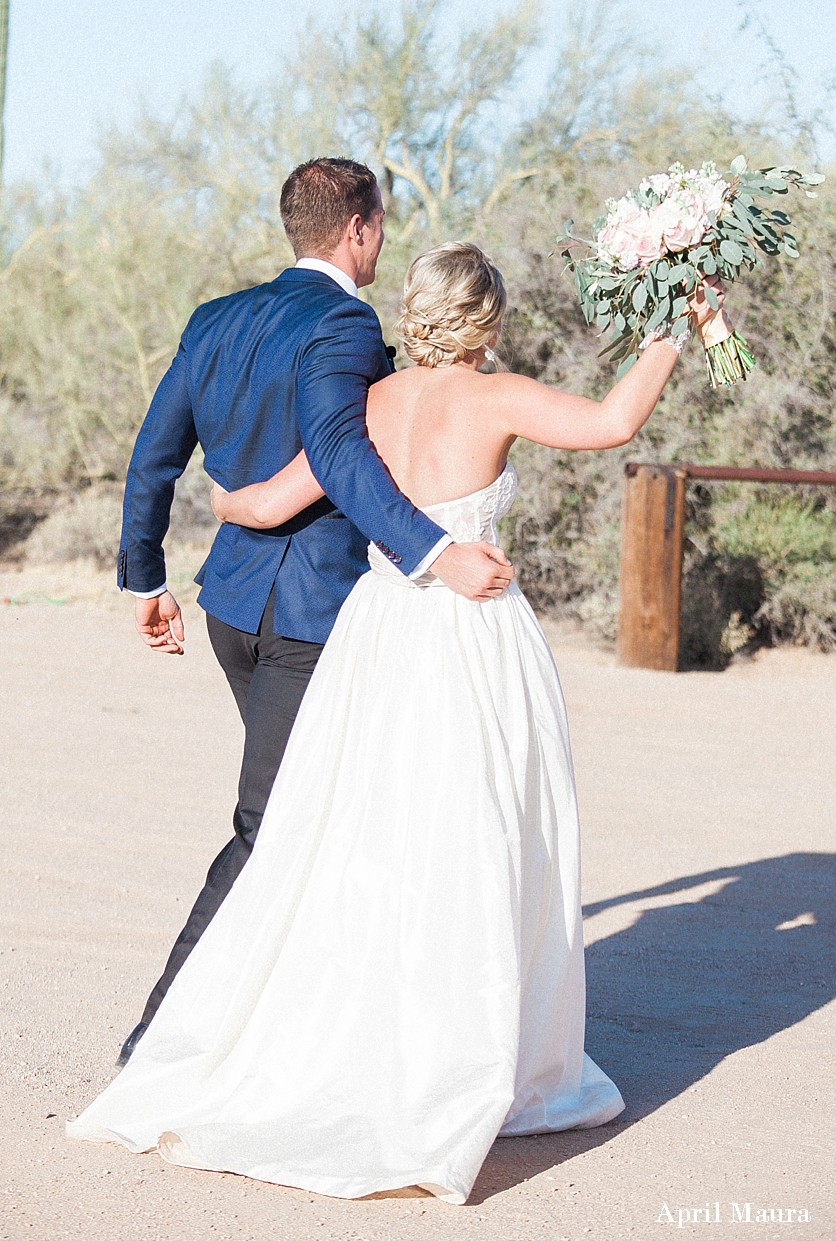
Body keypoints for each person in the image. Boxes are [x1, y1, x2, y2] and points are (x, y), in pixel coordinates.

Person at [69, 242, 703, 1202]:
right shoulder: (498, 398)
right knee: (474, 836)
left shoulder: (367, 404)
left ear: (413, 313)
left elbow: (277, 494)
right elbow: (614, 422)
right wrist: (673, 325)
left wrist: (227, 501)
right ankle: (452, 1056)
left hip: (373, 633)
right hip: (468, 636)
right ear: (486, 319)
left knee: (359, 833)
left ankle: (340, 1035)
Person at [113, 161, 514, 1068]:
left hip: (230, 609)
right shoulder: (341, 323)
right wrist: (433, 551)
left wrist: (146, 579)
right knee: (271, 824)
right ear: (360, 229)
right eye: (380, 225)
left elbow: (153, 456)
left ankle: (302, 1019)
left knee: (327, 809)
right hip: (309, 620)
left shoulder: (214, 320)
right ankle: (159, 1039)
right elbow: (337, 448)